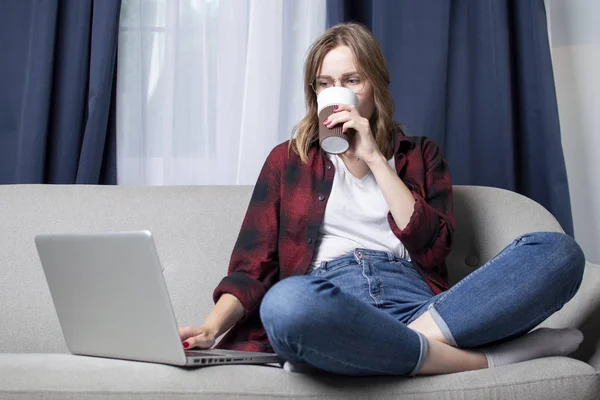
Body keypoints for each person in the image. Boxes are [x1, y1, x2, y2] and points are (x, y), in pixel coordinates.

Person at [178, 22, 585, 376]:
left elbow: (433, 249)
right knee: (286, 304)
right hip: (330, 302)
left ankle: (369, 351)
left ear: (375, 84)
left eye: (351, 80)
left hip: (421, 305)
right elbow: (253, 268)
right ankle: (480, 361)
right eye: (325, 83)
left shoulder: (420, 154)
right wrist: (212, 328)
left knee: (558, 252)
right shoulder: (288, 160)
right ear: (314, 92)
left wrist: (373, 155)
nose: (337, 92)